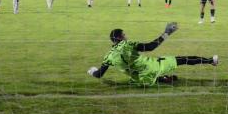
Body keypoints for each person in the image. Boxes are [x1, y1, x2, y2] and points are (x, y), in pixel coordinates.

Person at [87, 22, 218, 86]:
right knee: (183, 59)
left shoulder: (108, 57)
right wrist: (167, 33)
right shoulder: (127, 44)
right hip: (153, 67)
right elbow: (150, 47)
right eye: (124, 34)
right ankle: (211, 61)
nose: (126, 36)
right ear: (120, 37)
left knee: (148, 75)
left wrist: (91, 71)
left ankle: (163, 79)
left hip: (140, 80)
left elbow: (99, 75)